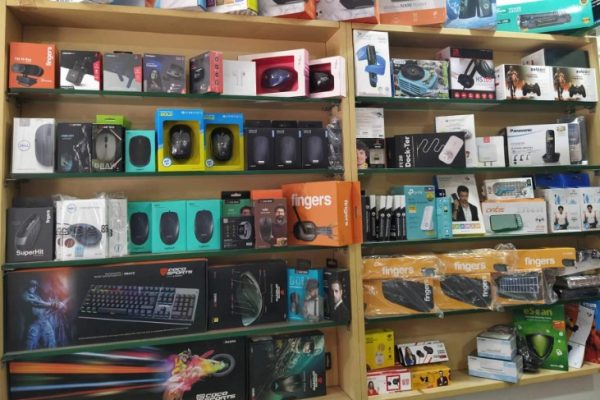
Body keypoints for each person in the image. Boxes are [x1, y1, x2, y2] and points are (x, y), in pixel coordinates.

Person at [22, 280, 66, 350]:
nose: (34, 287)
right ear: (27, 286)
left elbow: (43, 307)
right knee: (29, 345)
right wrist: (55, 305)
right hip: (34, 324)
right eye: (32, 285)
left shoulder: (36, 295)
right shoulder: (25, 295)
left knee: (51, 342)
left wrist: (54, 308)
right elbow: (37, 303)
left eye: (35, 286)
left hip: (44, 321)